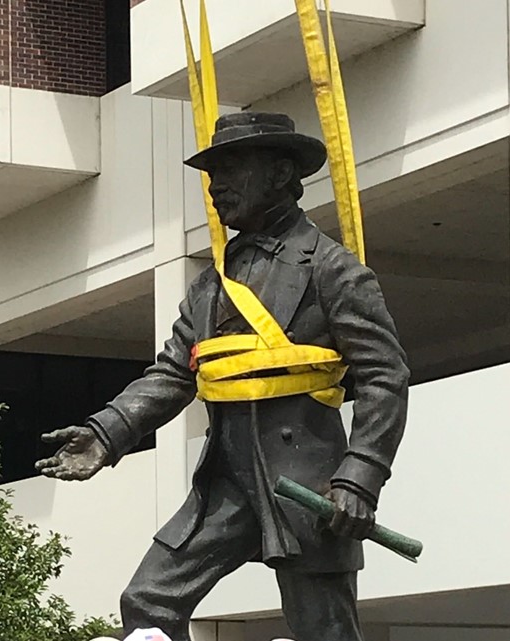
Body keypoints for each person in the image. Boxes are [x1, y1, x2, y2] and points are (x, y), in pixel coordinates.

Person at [36, 112, 410, 641]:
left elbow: (385, 377)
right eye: (212, 177)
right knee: (147, 601)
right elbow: (172, 373)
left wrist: (360, 478)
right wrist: (106, 431)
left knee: (324, 630)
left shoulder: (332, 269)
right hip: (228, 483)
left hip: (307, 485)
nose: (217, 188)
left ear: (281, 174)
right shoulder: (213, 284)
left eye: (231, 171)